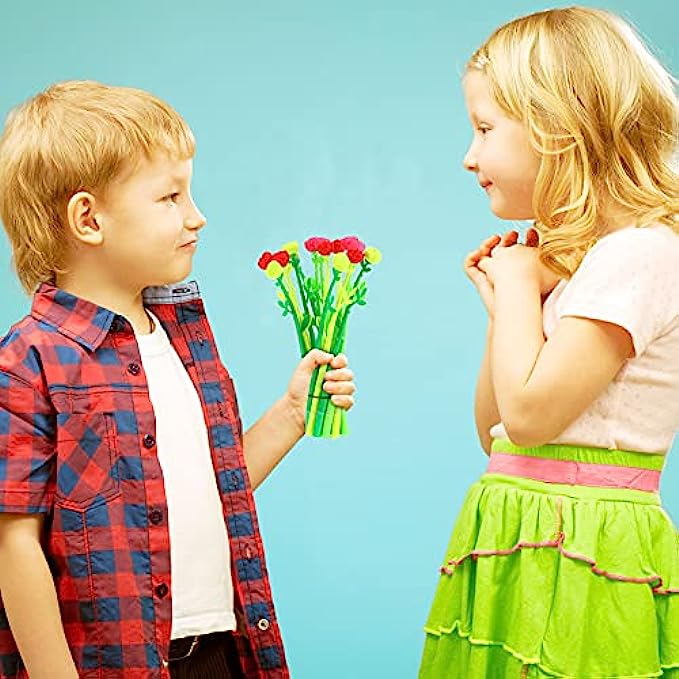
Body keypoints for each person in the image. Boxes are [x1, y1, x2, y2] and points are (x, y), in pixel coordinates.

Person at [0, 80, 356, 679]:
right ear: (88, 219)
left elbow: (212, 489)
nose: (197, 216)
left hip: (218, 652)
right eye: (170, 197)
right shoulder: (28, 361)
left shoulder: (185, 344)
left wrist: (292, 413)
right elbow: (14, 548)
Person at [420, 7, 679, 678]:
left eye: (484, 129)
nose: (469, 156)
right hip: (522, 536)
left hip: (584, 548)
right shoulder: (581, 263)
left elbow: (532, 416)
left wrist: (514, 286)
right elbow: (497, 432)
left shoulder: (640, 253)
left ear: (556, 129)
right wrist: (509, 309)